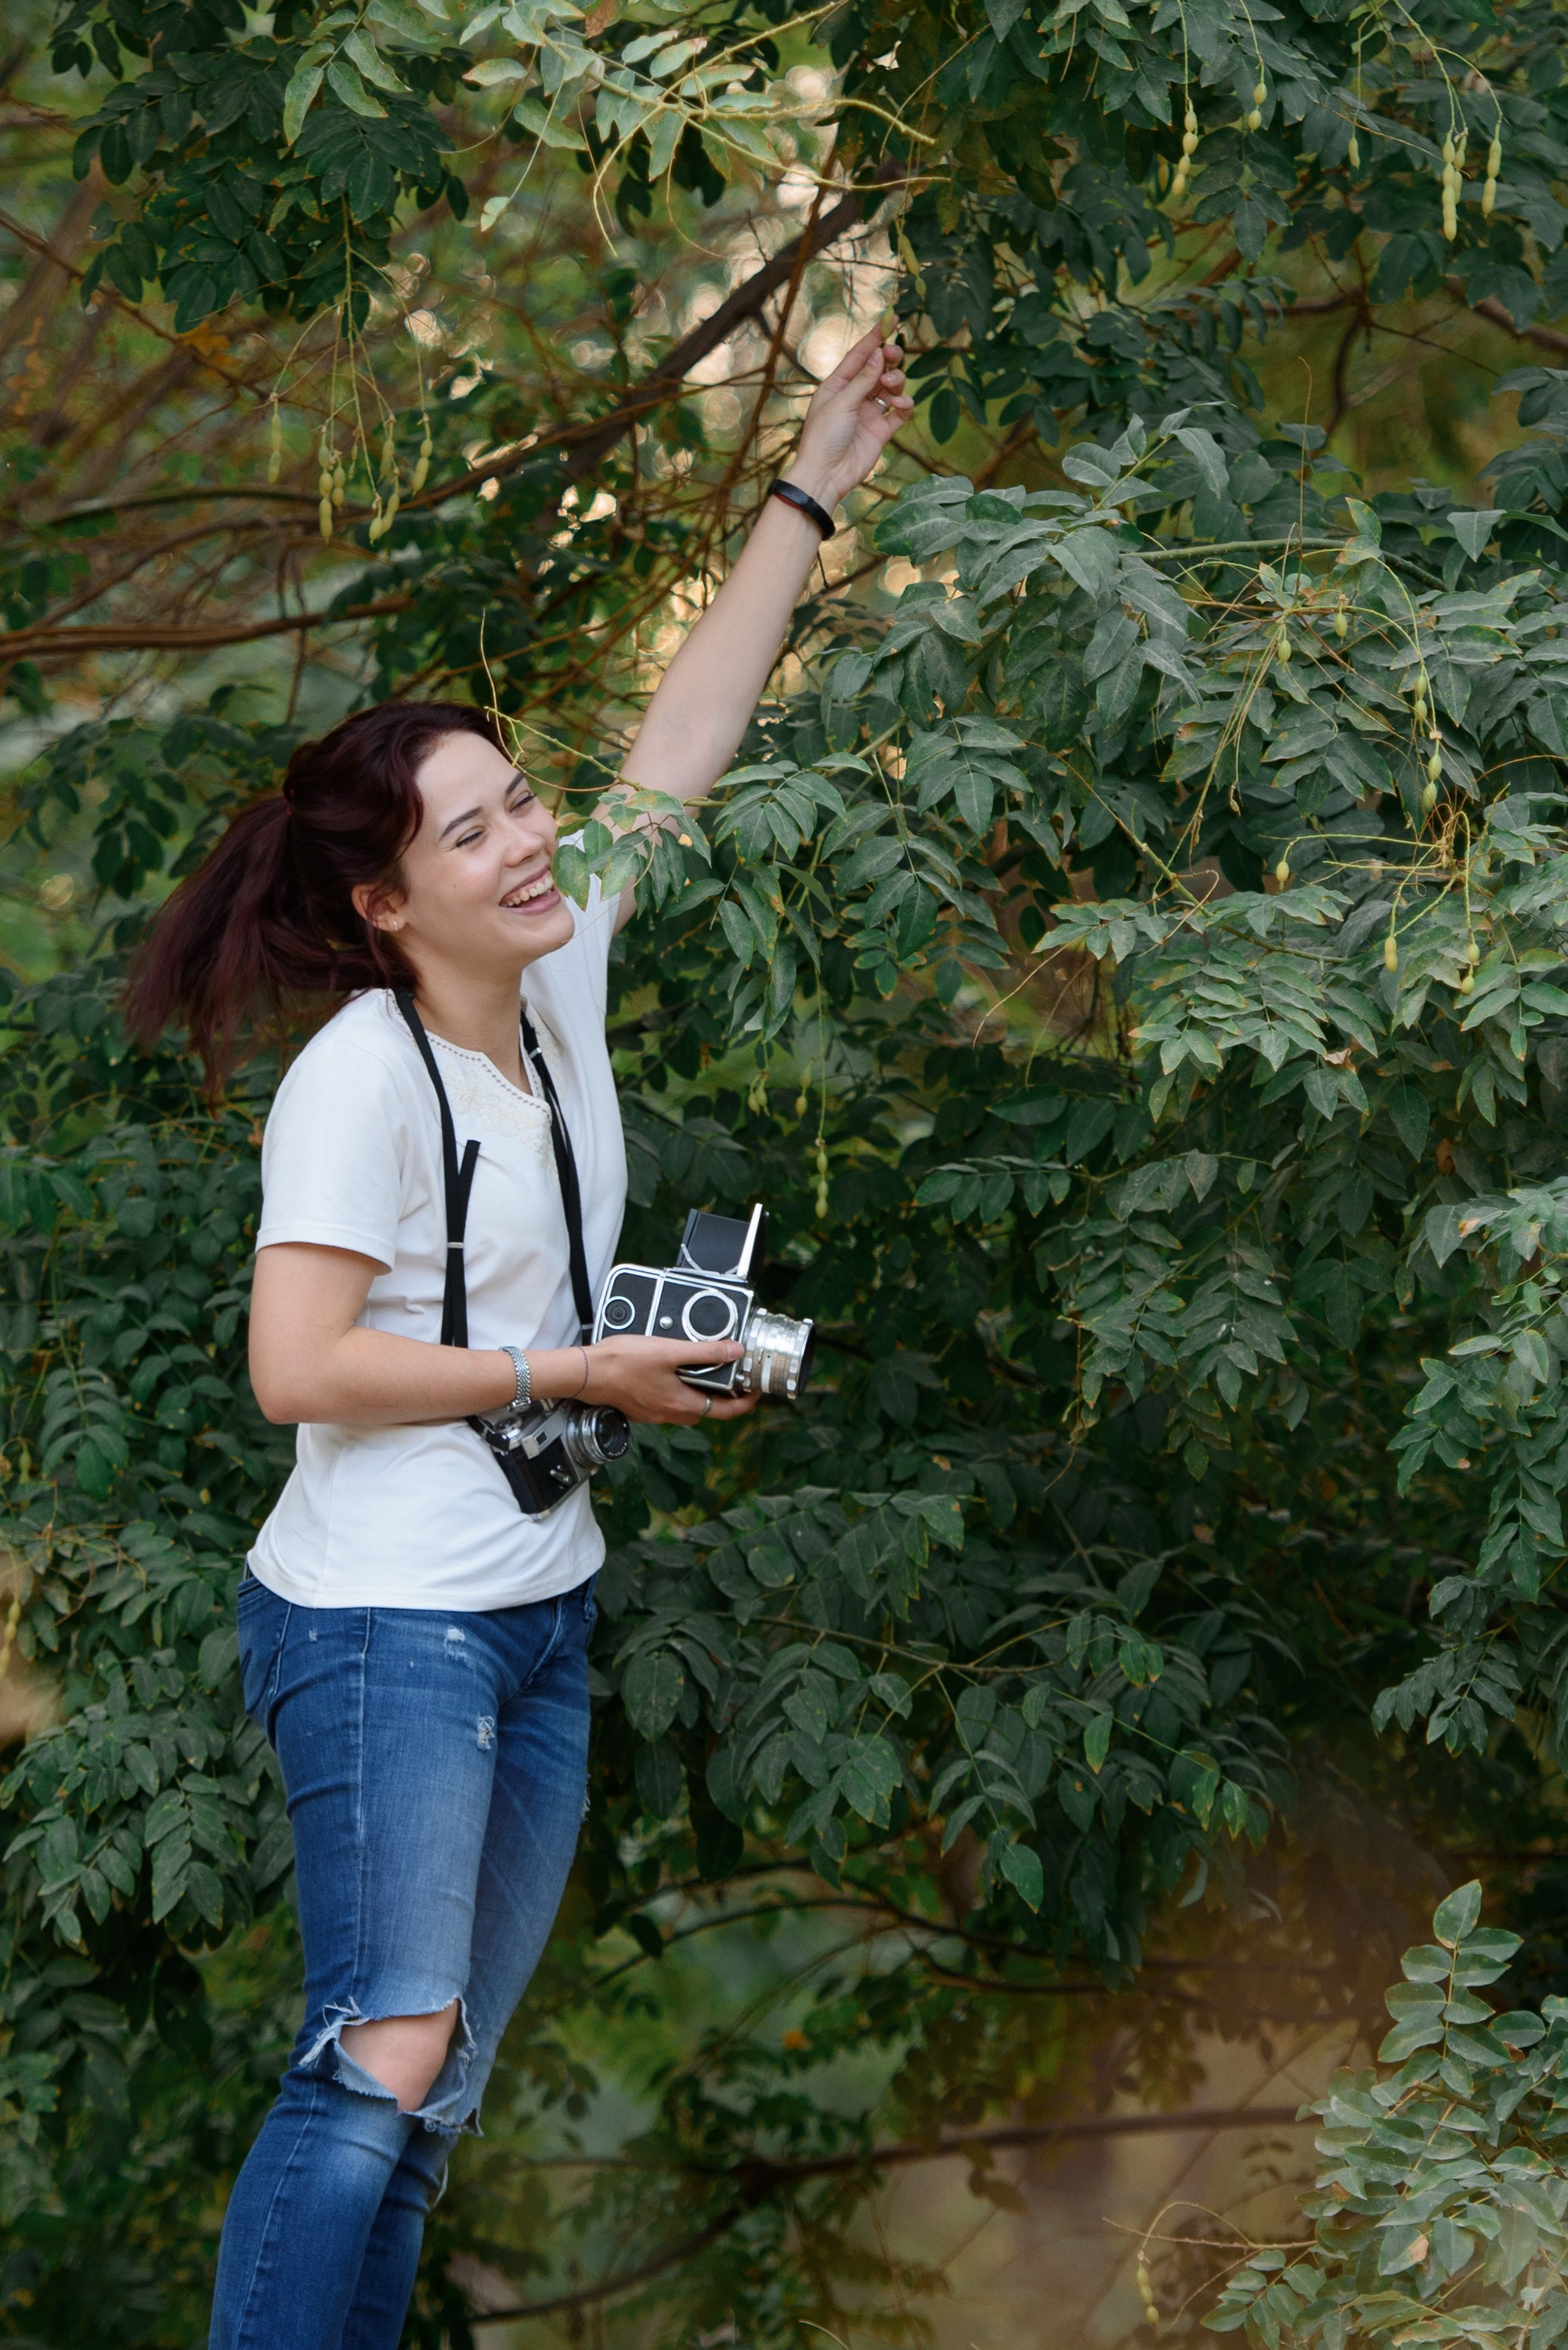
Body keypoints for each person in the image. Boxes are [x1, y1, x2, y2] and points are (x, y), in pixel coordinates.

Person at [125, 326, 910, 2350]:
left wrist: (806, 491)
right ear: (390, 903)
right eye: (474, 833)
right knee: (375, 2055)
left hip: (536, 1607)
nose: (533, 839)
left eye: (519, 799)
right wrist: (568, 1375)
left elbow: (680, 746)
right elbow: (294, 1371)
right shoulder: (357, 1086)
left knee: (434, 2081)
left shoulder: (549, 1003)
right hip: (389, 1628)